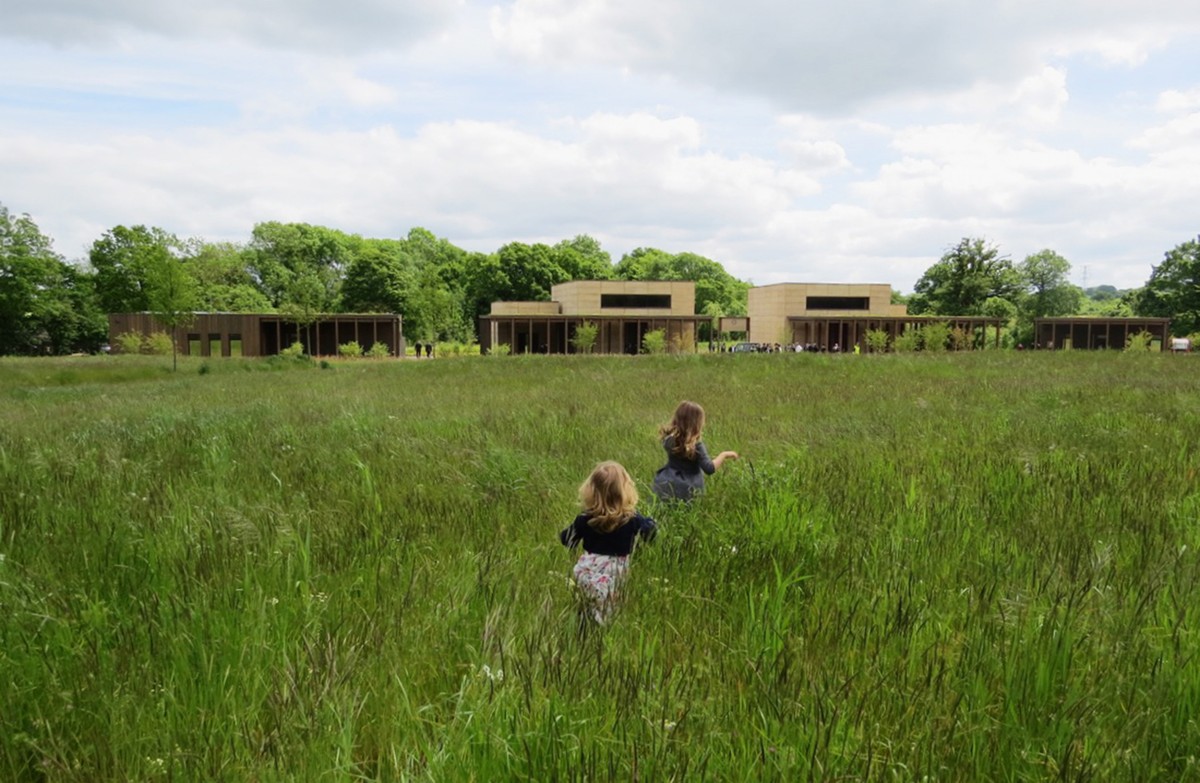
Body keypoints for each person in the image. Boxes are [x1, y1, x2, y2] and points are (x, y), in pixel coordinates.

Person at [560, 461, 657, 624]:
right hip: (615, 575)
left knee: (585, 608)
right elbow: (651, 534)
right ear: (625, 491)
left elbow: (567, 540)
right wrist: (649, 522)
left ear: (591, 490)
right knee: (610, 612)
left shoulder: (586, 519)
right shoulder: (631, 519)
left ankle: (583, 629)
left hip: (587, 574)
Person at [652, 400, 739, 502]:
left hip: (666, 483)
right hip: (688, 489)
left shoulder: (669, 439)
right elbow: (709, 468)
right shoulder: (696, 446)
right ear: (697, 424)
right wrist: (723, 455)